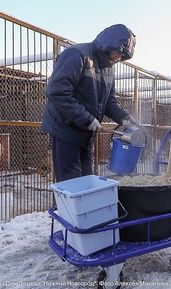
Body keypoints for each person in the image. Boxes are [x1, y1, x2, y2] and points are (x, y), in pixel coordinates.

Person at [41, 24, 137, 182]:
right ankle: (65, 207)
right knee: (70, 183)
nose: (119, 58)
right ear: (110, 44)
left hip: (85, 135)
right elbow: (57, 92)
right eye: (120, 52)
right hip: (65, 131)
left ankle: (84, 207)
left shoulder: (109, 69)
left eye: (123, 56)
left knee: (86, 182)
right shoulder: (77, 55)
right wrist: (87, 119)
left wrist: (125, 118)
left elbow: (109, 102)